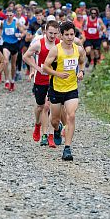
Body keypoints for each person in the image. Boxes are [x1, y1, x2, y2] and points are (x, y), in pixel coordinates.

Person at [43, 21, 86, 161]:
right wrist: (57, 74)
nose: (69, 37)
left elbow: (82, 62)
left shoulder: (78, 49)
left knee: (71, 115)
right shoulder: (56, 50)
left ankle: (67, 149)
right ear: (61, 35)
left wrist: (81, 72)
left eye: (72, 34)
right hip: (56, 88)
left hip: (71, 88)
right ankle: (57, 129)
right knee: (54, 120)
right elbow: (45, 67)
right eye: (66, 35)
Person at [23, 20, 61, 147]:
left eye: (55, 33)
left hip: (53, 80)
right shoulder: (38, 43)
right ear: (45, 31)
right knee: (40, 106)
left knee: (47, 106)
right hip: (40, 79)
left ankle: (47, 135)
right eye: (50, 33)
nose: (52, 36)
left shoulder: (59, 44)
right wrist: (36, 68)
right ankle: (37, 125)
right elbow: (26, 56)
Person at [0, 8, 25, 91]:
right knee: (6, 61)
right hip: (6, 44)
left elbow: (23, 32)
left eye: (11, 15)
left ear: (13, 15)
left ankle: (12, 81)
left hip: (15, 44)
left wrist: (20, 35)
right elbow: (0, 31)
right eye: (8, 15)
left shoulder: (16, 23)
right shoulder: (3, 23)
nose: (9, 16)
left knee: (13, 65)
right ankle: (7, 80)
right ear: (5, 15)